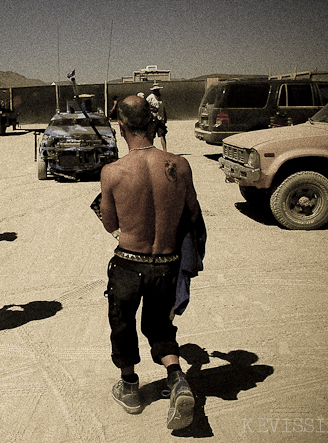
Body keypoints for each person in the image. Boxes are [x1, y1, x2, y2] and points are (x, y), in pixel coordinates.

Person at [99, 95, 200, 430]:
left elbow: (111, 224)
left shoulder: (112, 172)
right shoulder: (179, 164)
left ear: (122, 125)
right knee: (159, 326)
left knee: (123, 324)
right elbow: (193, 214)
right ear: (153, 123)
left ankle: (129, 388)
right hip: (167, 263)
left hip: (129, 263)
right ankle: (178, 380)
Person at [147, 84, 168, 152]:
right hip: (153, 119)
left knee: (162, 134)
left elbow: (163, 108)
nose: (157, 91)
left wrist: (165, 117)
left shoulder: (161, 98)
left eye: (158, 90)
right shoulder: (150, 98)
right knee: (151, 135)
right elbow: (145, 107)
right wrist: (152, 109)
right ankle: (150, 150)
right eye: (156, 90)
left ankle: (165, 150)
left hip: (160, 119)